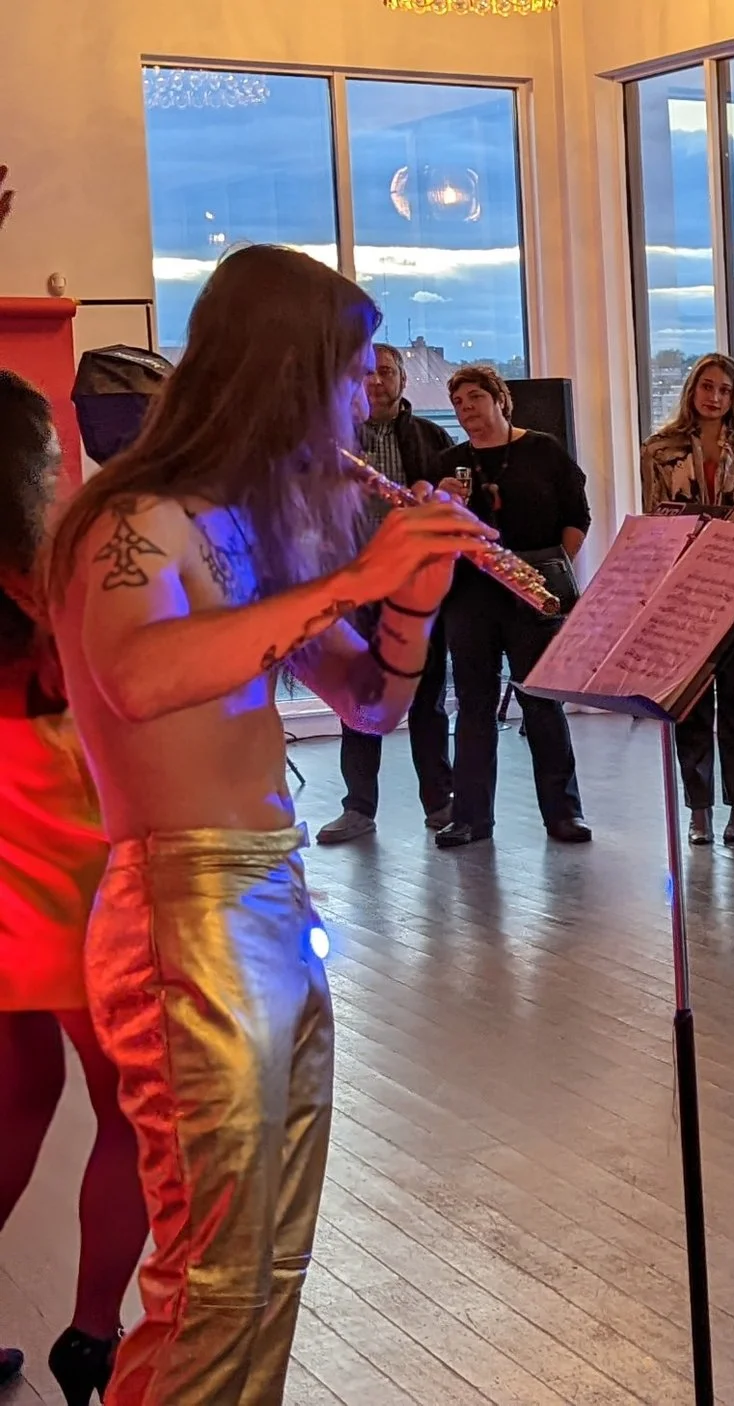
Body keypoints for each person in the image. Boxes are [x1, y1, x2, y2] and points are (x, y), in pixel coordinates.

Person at [42, 243, 492, 1404]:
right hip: (181, 908)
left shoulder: (248, 530)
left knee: (268, 1266)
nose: (363, 403)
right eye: (349, 375)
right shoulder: (132, 520)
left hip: (272, 896)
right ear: (284, 375)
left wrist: (413, 602)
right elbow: (140, 676)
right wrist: (350, 580)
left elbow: (372, 703)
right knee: (211, 1278)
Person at [0, 372, 142, 1404]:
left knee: (16, 1094)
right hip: (58, 859)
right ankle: (94, 1335)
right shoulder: (45, 584)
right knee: (129, 1105)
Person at [432, 364, 593, 847]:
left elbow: (577, 516)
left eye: (475, 397)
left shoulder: (543, 449)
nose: (466, 409)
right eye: (458, 403)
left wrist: (550, 573)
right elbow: (433, 536)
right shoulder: (448, 463)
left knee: (542, 703)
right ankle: (470, 817)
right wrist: (440, 502)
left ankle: (563, 814)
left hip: (531, 592)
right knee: (474, 707)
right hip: (470, 596)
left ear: (501, 400)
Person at [315, 341, 455, 845]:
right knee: (358, 700)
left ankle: (440, 802)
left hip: (417, 586)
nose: (376, 381)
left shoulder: (432, 437)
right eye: (367, 374)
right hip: (358, 587)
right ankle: (358, 808)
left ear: (402, 380)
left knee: (428, 701)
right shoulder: (334, 442)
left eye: (387, 372)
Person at [641, 352, 734, 846]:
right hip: (684, 589)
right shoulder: (660, 449)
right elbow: (655, 519)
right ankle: (699, 809)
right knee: (690, 704)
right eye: (706, 386)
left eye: (724, 389)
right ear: (692, 390)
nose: (714, 397)